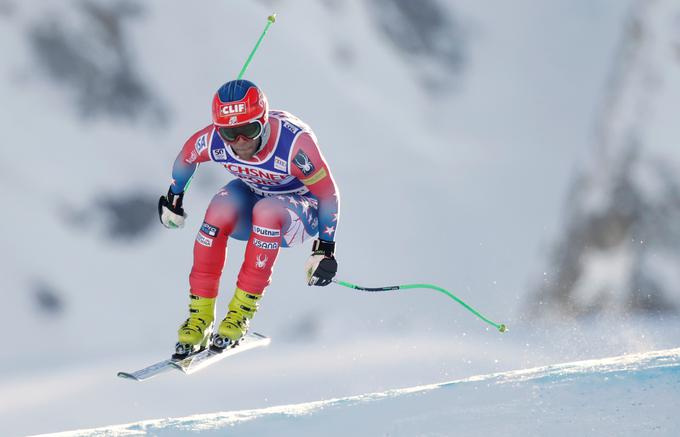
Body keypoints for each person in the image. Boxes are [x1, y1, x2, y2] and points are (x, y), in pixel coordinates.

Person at [158, 79, 340, 357]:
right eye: (231, 134)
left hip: (300, 213)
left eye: (249, 130)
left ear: (264, 122)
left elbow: (328, 194)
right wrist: (174, 198)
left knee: (267, 211)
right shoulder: (215, 139)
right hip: (255, 198)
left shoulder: (294, 145)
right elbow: (187, 157)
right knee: (219, 208)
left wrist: (324, 249)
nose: (240, 142)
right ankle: (200, 318)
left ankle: (240, 314)